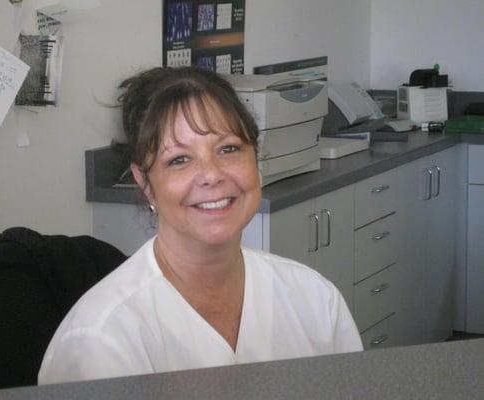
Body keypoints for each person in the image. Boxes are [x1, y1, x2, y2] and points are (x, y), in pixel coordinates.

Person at [38, 66, 363, 385]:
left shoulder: (316, 299)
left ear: (256, 160)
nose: (211, 174)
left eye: (229, 149)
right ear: (145, 183)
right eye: (179, 159)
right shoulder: (102, 339)